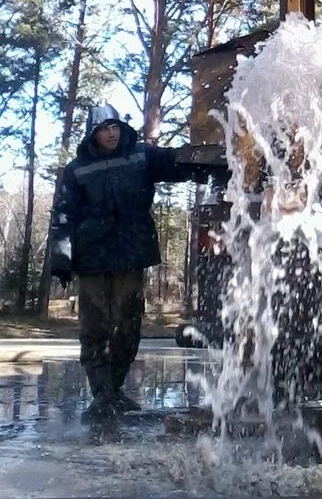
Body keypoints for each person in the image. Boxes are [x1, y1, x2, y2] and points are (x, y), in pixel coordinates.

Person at [50, 103, 219, 421]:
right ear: (93, 134)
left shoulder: (141, 155)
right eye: (104, 129)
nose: (111, 133)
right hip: (93, 259)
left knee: (128, 329)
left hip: (131, 254)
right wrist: (61, 258)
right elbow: (63, 215)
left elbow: (177, 164)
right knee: (94, 329)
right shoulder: (78, 169)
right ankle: (102, 395)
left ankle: (112, 392)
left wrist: (212, 162)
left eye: (115, 127)